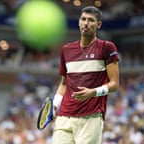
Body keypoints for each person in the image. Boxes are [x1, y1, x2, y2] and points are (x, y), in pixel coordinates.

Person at [52, 6, 120, 144]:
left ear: (98, 24)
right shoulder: (66, 50)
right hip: (64, 117)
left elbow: (114, 84)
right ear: (78, 22)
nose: (86, 23)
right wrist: (55, 105)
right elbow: (64, 83)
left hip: (91, 118)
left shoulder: (107, 47)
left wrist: (93, 92)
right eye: (83, 19)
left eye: (91, 20)